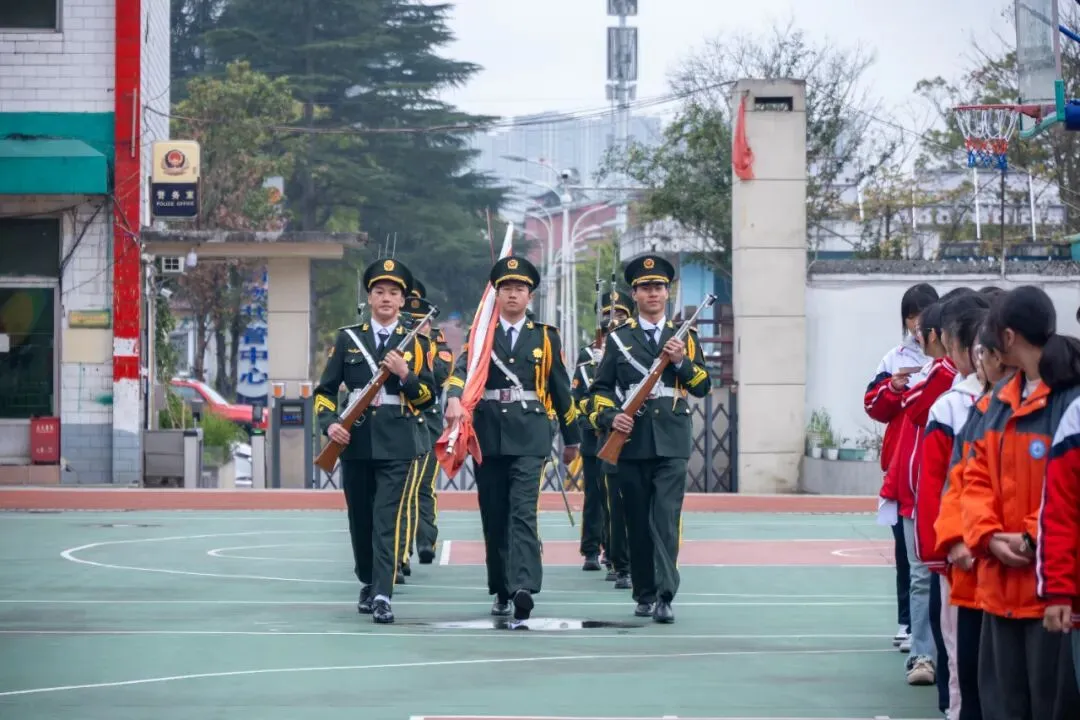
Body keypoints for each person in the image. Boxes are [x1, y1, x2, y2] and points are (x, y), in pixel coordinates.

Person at [961, 286, 1080, 718]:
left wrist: (1031, 540)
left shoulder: (1068, 398)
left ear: (1008, 337)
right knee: (1001, 707)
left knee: (1053, 706)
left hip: (1050, 592)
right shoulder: (995, 403)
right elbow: (971, 479)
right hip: (998, 589)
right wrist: (989, 536)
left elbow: (1066, 494)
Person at [443, 255, 581, 626]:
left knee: (523, 510)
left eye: (520, 289)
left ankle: (523, 586)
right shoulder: (481, 335)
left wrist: (573, 439)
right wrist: (454, 397)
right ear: (496, 294)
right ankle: (502, 588)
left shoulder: (545, 337)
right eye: (506, 288)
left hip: (530, 433)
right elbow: (461, 373)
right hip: (486, 433)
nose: (513, 295)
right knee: (495, 513)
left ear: (529, 295)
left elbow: (561, 390)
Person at [589, 254, 712, 623]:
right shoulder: (619, 340)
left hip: (671, 440)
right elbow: (599, 391)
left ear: (667, 292)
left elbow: (703, 385)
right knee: (637, 520)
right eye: (645, 288)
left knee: (665, 517)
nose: (653, 293)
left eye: (659, 287)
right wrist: (612, 417)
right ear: (635, 294)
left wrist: (681, 362)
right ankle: (643, 591)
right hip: (631, 442)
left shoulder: (684, 337)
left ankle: (665, 593)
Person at [313, 257, 437, 624]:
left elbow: (429, 397)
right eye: (379, 291)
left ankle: (383, 592)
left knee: (387, 519)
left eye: (393, 293)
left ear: (403, 301)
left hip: (397, 440)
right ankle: (367, 580)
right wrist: (330, 424)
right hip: (356, 440)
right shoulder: (348, 338)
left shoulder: (415, 342)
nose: (386, 298)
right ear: (369, 298)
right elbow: (324, 391)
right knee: (361, 519)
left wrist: (405, 374)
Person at [865, 282, 938, 654]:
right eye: (910, 317)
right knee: (904, 553)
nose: (916, 324)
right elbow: (873, 405)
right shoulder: (893, 357)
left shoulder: (947, 360)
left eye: (922, 316)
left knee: (932, 557)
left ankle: (931, 630)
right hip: (901, 473)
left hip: (936, 472)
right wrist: (893, 387)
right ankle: (907, 622)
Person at [572, 287, 631, 581]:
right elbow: (580, 395)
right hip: (594, 433)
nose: (614, 320)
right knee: (595, 494)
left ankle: (615, 551)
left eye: (620, 315)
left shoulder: (629, 350)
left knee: (617, 496)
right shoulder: (587, 355)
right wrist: (594, 418)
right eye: (609, 316)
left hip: (623, 433)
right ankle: (591, 549)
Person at [398, 281, 452, 569]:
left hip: (428, 421)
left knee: (423, 486)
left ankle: (425, 541)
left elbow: (441, 374)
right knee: (401, 489)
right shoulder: (394, 340)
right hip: (400, 421)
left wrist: (425, 344)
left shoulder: (436, 341)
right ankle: (401, 550)